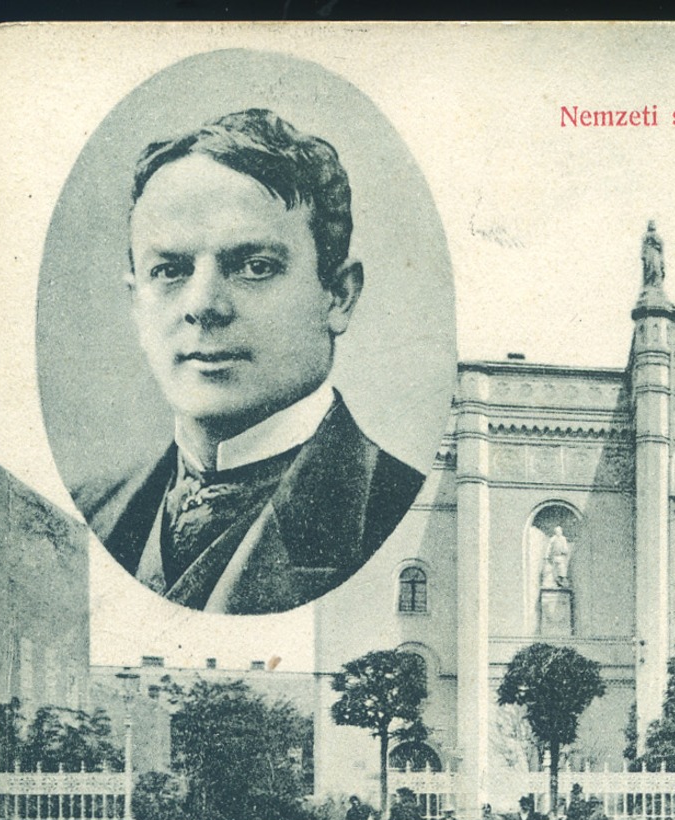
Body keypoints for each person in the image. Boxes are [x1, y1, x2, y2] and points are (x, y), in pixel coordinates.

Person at [71, 108, 423, 615]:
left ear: (339, 296)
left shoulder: (394, 509)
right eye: (169, 269)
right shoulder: (90, 512)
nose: (203, 305)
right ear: (135, 301)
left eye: (254, 267)